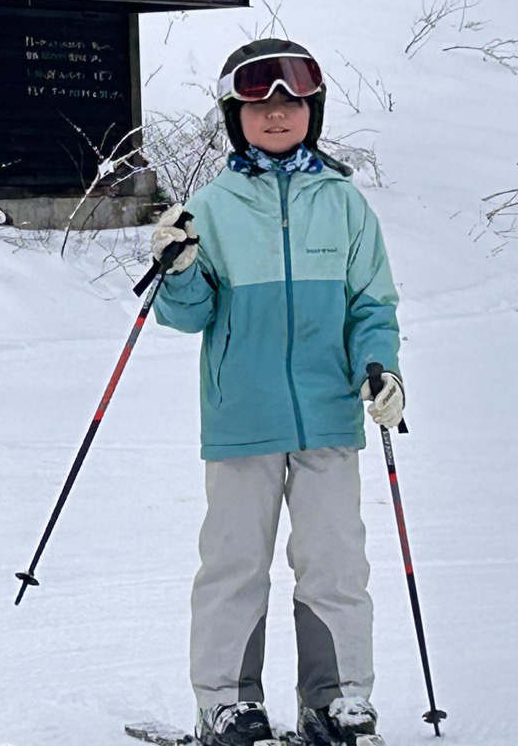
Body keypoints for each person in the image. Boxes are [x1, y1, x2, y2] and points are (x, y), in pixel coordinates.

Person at [149, 39, 403, 746]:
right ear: (235, 117)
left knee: (335, 562)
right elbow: (188, 315)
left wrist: (380, 370)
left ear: (312, 111)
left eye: (292, 102)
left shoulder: (345, 205)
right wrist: (178, 268)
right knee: (235, 563)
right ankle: (228, 703)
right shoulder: (212, 205)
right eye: (258, 104)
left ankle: (339, 701)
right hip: (242, 418)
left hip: (328, 416)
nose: (277, 114)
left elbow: (371, 305)